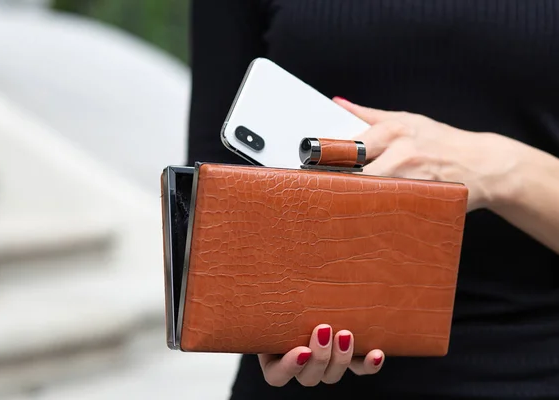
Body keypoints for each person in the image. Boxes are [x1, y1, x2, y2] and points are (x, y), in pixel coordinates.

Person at [186, 1, 559, 398]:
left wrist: (494, 168)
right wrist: (257, 304)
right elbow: (209, 188)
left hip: (533, 367)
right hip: (303, 362)